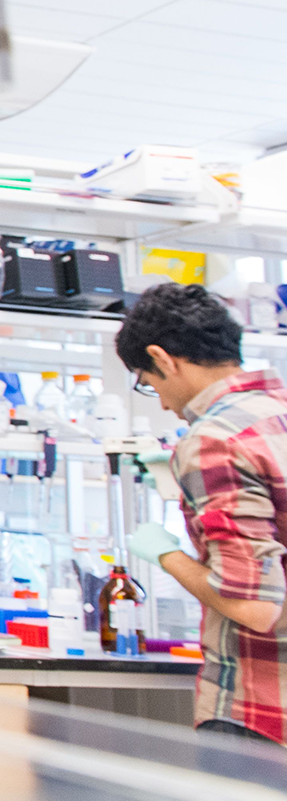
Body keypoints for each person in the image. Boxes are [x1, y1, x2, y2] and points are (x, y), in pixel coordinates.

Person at [120, 282, 287, 746]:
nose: (168, 406)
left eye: (151, 385)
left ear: (164, 358)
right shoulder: (276, 415)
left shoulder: (213, 439)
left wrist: (166, 554)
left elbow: (253, 605)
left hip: (260, 712)